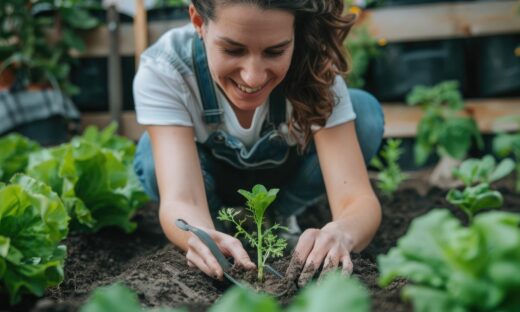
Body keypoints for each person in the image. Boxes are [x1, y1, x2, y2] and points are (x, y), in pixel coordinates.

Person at [133, 0, 383, 287]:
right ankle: (221, 229)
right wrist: (198, 234)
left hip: (284, 175)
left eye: (275, 51)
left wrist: (342, 232)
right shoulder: (167, 67)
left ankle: (278, 217)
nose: (253, 76)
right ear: (199, 22)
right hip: (209, 182)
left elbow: (358, 200)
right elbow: (181, 198)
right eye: (233, 49)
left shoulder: (314, 65)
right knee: (152, 155)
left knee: (364, 114)